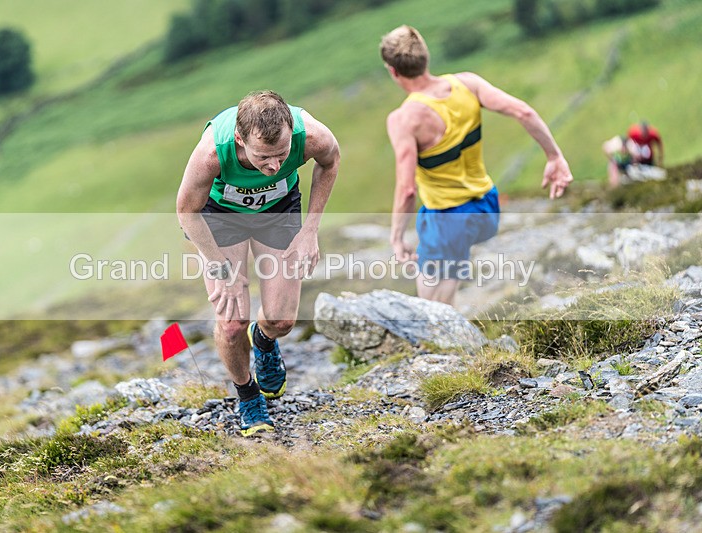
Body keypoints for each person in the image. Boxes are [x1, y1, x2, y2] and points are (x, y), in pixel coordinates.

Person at [176, 91, 340, 436]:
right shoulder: (212, 154)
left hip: (277, 211)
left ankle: (264, 341)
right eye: (264, 157)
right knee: (232, 322)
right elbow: (186, 212)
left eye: (282, 155)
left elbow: (331, 160)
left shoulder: (310, 136)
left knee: (281, 320)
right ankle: (248, 395)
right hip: (221, 217)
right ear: (240, 139)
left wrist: (310, 230)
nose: (274, 166)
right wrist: (223, 270)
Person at [379, 25, 573, 306]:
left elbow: (407, 189)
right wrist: (554, 157)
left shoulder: (405, 119)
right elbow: (523, 111)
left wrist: (396, 237)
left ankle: (447, 346)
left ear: (393, 71)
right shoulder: (467, 84)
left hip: (447, 217)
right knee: (451, 265)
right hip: (486, 207)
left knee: (433, 309)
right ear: (426, 58)